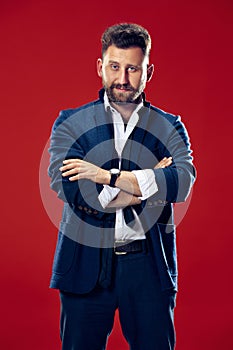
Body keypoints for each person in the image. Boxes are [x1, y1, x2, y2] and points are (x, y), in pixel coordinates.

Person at [48, 23, 196, 350]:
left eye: (133, 68)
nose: (123, 78)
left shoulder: (170, 126)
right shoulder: (70, 123)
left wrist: (105, 177)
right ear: (101, 67)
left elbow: (181, 183)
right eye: (115, 67)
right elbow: (73, 191)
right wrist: (148, 181)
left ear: (149, 71)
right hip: (84, 264)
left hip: (148, 268)